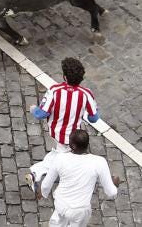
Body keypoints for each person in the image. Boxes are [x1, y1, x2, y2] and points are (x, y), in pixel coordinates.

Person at [26, 58, 99, 193]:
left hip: (55, 132)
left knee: (60, 152)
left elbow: (41, 114)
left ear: (64, 76)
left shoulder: (54, 90)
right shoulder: (87, 94)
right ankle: (35, 173)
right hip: (73, 137)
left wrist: (33, 109)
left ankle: (37, 173)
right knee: (62, 158)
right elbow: (94, 118)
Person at [38, 129, 120, 227]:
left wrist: (43, 193)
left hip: (61, 204)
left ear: (72, 146)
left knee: (57, 223)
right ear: (87, 144)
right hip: (80, 211)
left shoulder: (60, 159)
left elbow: (47, 184)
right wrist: (115, 184)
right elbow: (111, 192)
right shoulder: (99, 162)